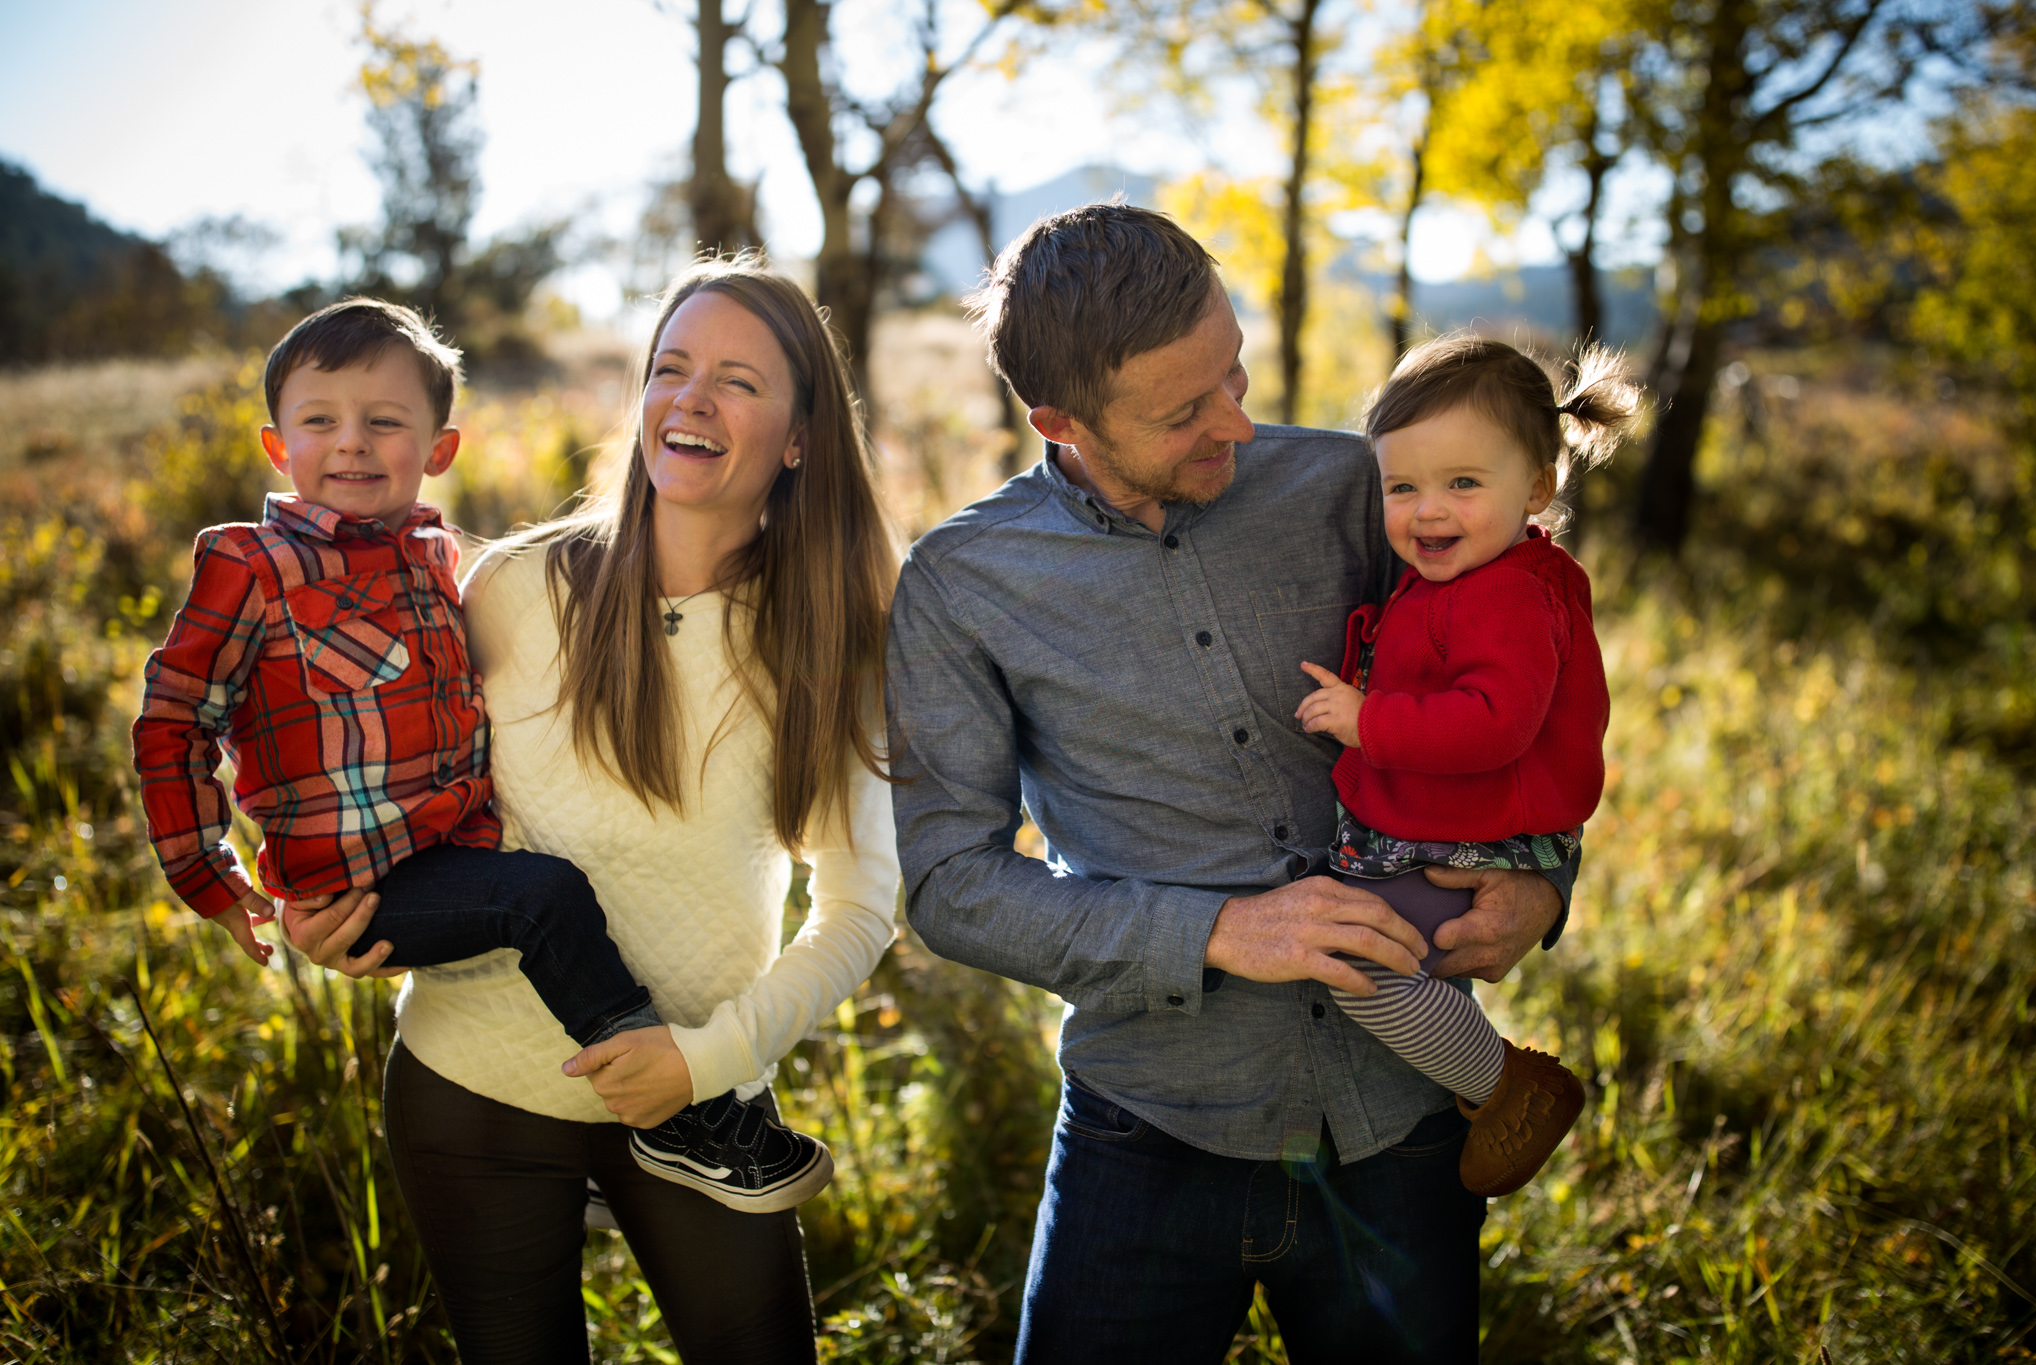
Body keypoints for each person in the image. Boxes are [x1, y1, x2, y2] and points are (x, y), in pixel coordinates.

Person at [887, 204, 1582, 1362]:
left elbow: (1531, 694)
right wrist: (1218, 931)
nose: (1240, 424)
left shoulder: (1352, 489)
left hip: (1402, 1122)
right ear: (1056, 421)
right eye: (1185, 412)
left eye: (1236, 374)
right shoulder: (962, 582)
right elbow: (953, 887)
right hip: (1144, 1133)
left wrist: (1547, 884)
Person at [278, 260, 900, 1364]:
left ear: (800, 438)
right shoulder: (511, 589)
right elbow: (356, 773)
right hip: (470, 1090)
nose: (690, 400)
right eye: (671, 368)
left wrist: (706, 1064)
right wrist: (332, 914)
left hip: (697, 1113)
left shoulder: (831, 642)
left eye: (737, 381)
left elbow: (857, 911)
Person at [132, 296, 837, 1214]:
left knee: (532, 892)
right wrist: (212, 879)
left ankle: (592, 1137)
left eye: (384, 422)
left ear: (438, 450)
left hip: (442, 856)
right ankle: (673, 1120)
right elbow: (173, 719)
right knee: (541, 895)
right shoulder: (254, 568)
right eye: (319, 422)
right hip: (359, 880)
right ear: (277, 447)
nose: (351, 443)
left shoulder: (440, 563)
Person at [1292, 334, 1640, 1198]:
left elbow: (1494, 724)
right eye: (1401, 487)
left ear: (1537, 488)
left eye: (1462, 483)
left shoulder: (1510, 591)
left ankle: (1506, 1086)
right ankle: (1478, 1075)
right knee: (1372, 943)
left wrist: (1369, 722)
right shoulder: (1466, 572)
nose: (1426, 510)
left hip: (1487, 828)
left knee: (1362, 960)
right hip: (1461, 820)